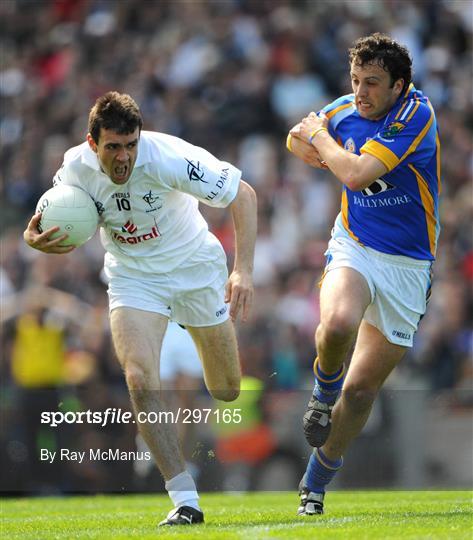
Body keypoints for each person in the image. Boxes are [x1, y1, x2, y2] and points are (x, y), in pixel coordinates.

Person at [23, 91, 257, 526]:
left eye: (131, 144)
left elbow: (243, 195)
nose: (124, 156)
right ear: (93, 144)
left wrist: (242, 270)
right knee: (139, 377)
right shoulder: (75, 166)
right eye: (113, 146)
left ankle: (202, 332)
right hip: (134, 278)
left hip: (194, 268)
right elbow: (54, 215)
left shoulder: (168, 158)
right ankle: (185, 498)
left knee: (226, 389)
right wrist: (32, 239)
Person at [287, 33, 440, 515]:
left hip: (408, 266)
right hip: (354, 245)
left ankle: (316, 480)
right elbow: (296, 137)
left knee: (360, 392)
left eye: (372, 83)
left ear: (399, 85)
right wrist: (320, 146)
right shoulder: (344, 109)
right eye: (355, 80)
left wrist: (325, 145)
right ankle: (319, 394)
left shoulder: (417, 115)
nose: (360, 92)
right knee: (336, 324)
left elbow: (353, 175)